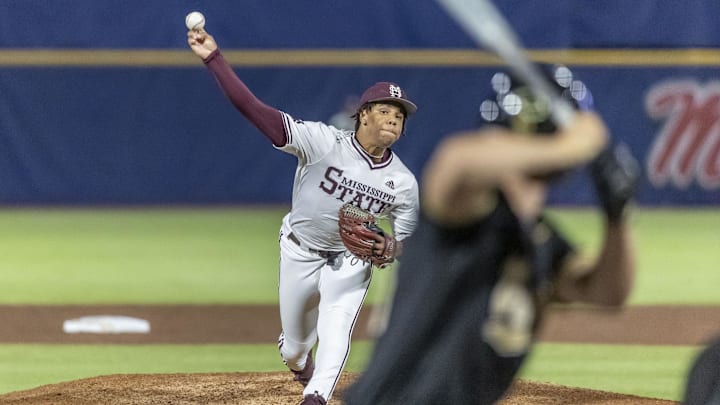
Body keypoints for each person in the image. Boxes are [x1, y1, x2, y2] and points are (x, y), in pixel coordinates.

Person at [343, 66, 639, 404]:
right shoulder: (461, 215)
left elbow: (608, 292)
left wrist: (619, 217)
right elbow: (457, 161)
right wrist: (571, 145)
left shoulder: (539, 239)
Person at [187, 28, 420, 405]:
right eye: (384, 110)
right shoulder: (322, 142)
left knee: (337, 329)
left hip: (350, 261)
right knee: (295, 349)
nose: (393, 118)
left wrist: (393, 248)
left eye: (399, 114)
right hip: (300, 252)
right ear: (362, 115)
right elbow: (255, 110)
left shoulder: (403, 183)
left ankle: (316, 397)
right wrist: (214, 59)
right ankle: (299, 363)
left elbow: (414, 244)